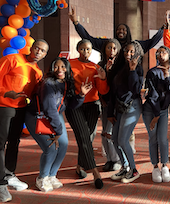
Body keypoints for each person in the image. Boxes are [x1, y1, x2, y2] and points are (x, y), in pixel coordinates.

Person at [0, 39, 49, 202]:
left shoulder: (37, 71)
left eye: (42, 51)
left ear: (45, 55)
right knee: (0, 144)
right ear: (32, 48)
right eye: (37, 48)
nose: (38, 52)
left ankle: (9, 174)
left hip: (20, 108)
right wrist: (6, 93)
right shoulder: (12, 59)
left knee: (14, 142)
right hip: (2, 105)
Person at [25, 57, 92, 192]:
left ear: (67, 69)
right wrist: (58, 131)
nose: (59, 70)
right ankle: (42, 178)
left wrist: (81, 95)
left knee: (63, 144)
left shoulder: (66, 82)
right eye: (56, 66)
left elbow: (69, 105)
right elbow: (49, 108)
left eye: (63, 67)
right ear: (51, 68)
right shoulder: (48, 83)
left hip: (54, 115)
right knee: (51, 147)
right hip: (37, 117)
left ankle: (51, 175)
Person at [66, 39, 109, 189]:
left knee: (87, 138)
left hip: (92, 105)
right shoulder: (69, 64)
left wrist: (103, 79)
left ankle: (80, 166)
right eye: (83, 49)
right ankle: (96, 173)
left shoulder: (95, 67)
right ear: (78, 50)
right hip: (75, 105)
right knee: (84, 136)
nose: (86, 52)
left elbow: (102, 91)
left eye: (89, 49)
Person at [142, 46, 170, 183]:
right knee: (153, 138)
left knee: (163, 139)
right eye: (157, 53)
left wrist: (167, 76)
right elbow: (152, 95)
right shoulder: (152, 72)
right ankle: (155, 167)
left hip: (163, 111)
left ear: (169, 54)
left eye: (163, 51)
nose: (160, 54)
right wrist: (156, 115)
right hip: (150, 110)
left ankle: (164, 165)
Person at [108, 41, 144, 183]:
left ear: (137, 53)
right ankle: (125, 166)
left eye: (131, 51)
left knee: (123, 140)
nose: (128, 54)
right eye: (125, 51)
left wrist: (132, 71)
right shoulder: (119, 67)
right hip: (120, 108)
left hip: (132, 107)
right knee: (115, 139)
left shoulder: (138, 69)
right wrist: (110, 112)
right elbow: (113, 92)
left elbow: (135, 90)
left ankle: (134, 170)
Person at [68, 7, 165, 53]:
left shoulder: (135, 46)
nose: (121, 31)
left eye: (124, 30)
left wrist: (164, 27)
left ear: (128, 32)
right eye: (118, 29)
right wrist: (76, 22)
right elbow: (89, 39)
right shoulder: (107, 44)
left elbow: (152, 41)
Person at [98, 39, 122, 172]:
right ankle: (109, 159)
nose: (111, 51)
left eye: (114, 48)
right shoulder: (101, 64)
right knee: (104, 133)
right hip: (105, 103)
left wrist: (111, 71)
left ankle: (117, 159)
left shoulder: (121, 65)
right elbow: (99, 84)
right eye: (109, 48)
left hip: (117, 104)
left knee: (111, 133)